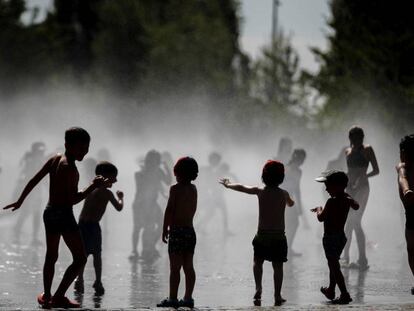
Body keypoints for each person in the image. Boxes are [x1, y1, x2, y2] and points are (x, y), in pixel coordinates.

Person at [3, 127, 106, 308]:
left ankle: (47, 296)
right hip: (64, 214)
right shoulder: (70, 169)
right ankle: (58, 296)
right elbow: (72, 199)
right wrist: (93, 186)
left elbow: (34, 179)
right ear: (68, 145)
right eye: (80, 148)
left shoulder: (55, 159)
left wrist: (20, 200)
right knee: (80, 258)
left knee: (51, 256)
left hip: (49, 212)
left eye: (86, 148)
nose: (84, 152)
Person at [220, 160, 294, 306]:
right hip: (279, 236)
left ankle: (258, 288)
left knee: (257, 262)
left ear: (264, 176)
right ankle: (277, 295)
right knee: (278, 266)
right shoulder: (283, 193)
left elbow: (241, 187)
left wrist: (228, 185)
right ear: (281, 178)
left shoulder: (260, 191)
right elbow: (291, 203)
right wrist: (290, 202)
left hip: (262, 235)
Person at [74, 161, 124, 295]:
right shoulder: (106, 193)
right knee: (96, 255)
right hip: (91, 226)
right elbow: (119, 207)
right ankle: (97, 281)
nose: (116, 179)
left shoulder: (91, 189)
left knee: (83, 255)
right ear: (106, 177)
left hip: (83, 224)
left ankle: (80, 279)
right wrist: (121, 198)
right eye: (114, 177)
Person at [312, 170, 359, 304]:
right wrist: (350, 200)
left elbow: (321, 218)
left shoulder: (331, 202)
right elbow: (356, 206)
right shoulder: (346, 197)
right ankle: (331, 289)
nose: (326, 189)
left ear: (338, 186)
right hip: (341, 237)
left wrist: (319, 209)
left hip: (330, 238)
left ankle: (344, 293)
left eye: (328, 186)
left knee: (334, 266)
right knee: (334, 264)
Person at [157, 157, 198, 308]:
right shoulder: (194, 189)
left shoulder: (175, 189)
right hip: (190, 231)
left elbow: (169, 209)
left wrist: (164, 228)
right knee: (189, 266)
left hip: (177, 231)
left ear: (177, 172)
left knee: (175, 268)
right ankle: (188, 298)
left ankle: (173, 298)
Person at [343, 126, 379, 270]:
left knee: (356, 221)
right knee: (348, 224)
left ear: (362, 138)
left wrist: (364, 176)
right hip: (349, 188)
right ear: (350, 138)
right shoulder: (347, 151)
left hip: (363, 188)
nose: (357, 140)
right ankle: (345, 257)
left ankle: (362, 259)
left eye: (360, 137)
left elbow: (376, 170)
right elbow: (349, 171)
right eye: (354, 137)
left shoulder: (367, 149)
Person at [130, 150, 172, 259]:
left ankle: (150, 247)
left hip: (153, 203)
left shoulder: (158, 171)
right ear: (149, 161)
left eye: (156, 161)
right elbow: (143, 188)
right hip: (140, 204)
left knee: (162, 225)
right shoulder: (140, 174)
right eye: (153, 161)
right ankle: (135, 250)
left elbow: (168, 181)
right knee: (138, 227)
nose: (155, 163)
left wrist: (166, 167)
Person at [397, 134, 414, 294]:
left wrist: (407, 190)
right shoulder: (402, 167)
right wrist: (407, 189)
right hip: (411, 211)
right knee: (411, 248)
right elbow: (403, 178)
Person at [283, 149, 307, 256]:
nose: (302, 161)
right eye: (301, 159)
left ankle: (287, 248)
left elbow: (297, 189)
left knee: (293, 223)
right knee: (290, 224)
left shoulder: (298, 171)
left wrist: (300, 206)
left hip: (290, 199)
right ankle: (285, 248)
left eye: (303, 159)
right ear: (296, 158)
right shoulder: (286, 169)